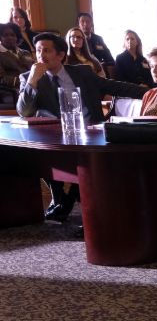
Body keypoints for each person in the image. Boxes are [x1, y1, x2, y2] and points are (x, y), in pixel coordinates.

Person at [17, 32, 147, 222]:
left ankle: (70, 201)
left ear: (61, 55)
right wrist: (32, 81)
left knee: (95, 161)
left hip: (92, 131)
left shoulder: (82, 72)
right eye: (38, 51)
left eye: (46, 50)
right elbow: (24, 111)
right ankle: (65, 198)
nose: (41, 55)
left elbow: (114, 86)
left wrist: (150, 92)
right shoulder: (29, 78)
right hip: (57, 136)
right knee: (37, 156)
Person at [0, 23, 34, 107]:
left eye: (13, 35)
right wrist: (24, 81)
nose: (10, 37)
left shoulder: (25, 53)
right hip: (11, 91)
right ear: (0, 37)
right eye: (5, 35)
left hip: (31, 86)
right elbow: (2, 78)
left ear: (17, 37)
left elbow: (33, 69)